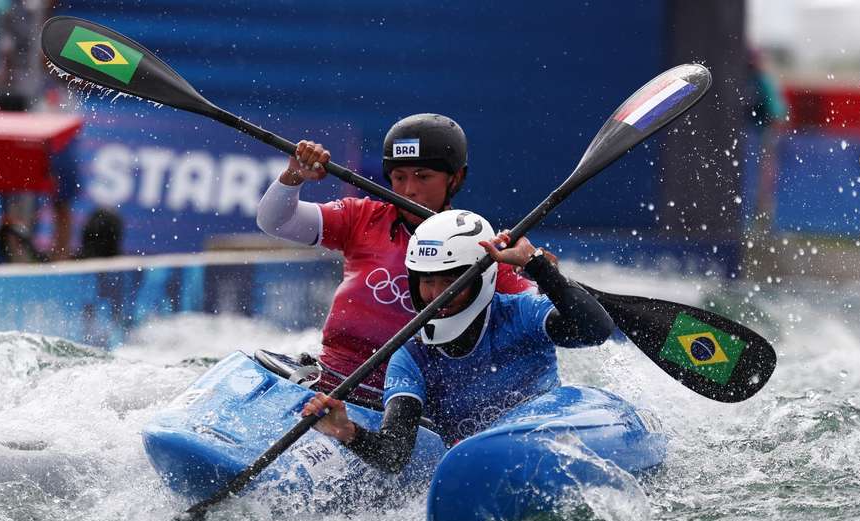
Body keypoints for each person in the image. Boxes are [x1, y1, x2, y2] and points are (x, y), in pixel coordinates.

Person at [257, 114, 545, 402]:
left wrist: (539, 266)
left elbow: (541, 322)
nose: (409, 189)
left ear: (455, 178)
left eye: (423, 176)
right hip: (328, 382)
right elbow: (276, 222)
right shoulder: (362, 218)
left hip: (406, 407)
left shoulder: (483, 250)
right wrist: (294, 175)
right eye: (399, 177)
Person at [301, 210, 614, 473]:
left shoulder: (521, 313)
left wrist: (537, 265)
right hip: (479, 470)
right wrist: (347, 432)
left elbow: (595, 331)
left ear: (482, 279)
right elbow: (394, 456)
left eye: (450, 281)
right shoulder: (410, 357)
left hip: (549, 446)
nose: (437, 295)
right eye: (427, 281)